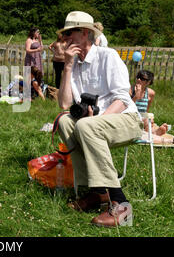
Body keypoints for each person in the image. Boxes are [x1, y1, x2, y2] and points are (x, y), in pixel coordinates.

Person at [56, 11, 143, 228]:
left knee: (86, 125)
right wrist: (67, 66)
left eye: (70, 33)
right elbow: (65, 105)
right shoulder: (74, 65)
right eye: (64, 34)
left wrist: (97, 121)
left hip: (126, 119)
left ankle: (120, 202)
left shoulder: (108, 56)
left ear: (85, 33)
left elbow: (123, 99)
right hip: (97, 123)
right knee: (65, 121)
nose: (66, 39)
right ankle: (97, 193)